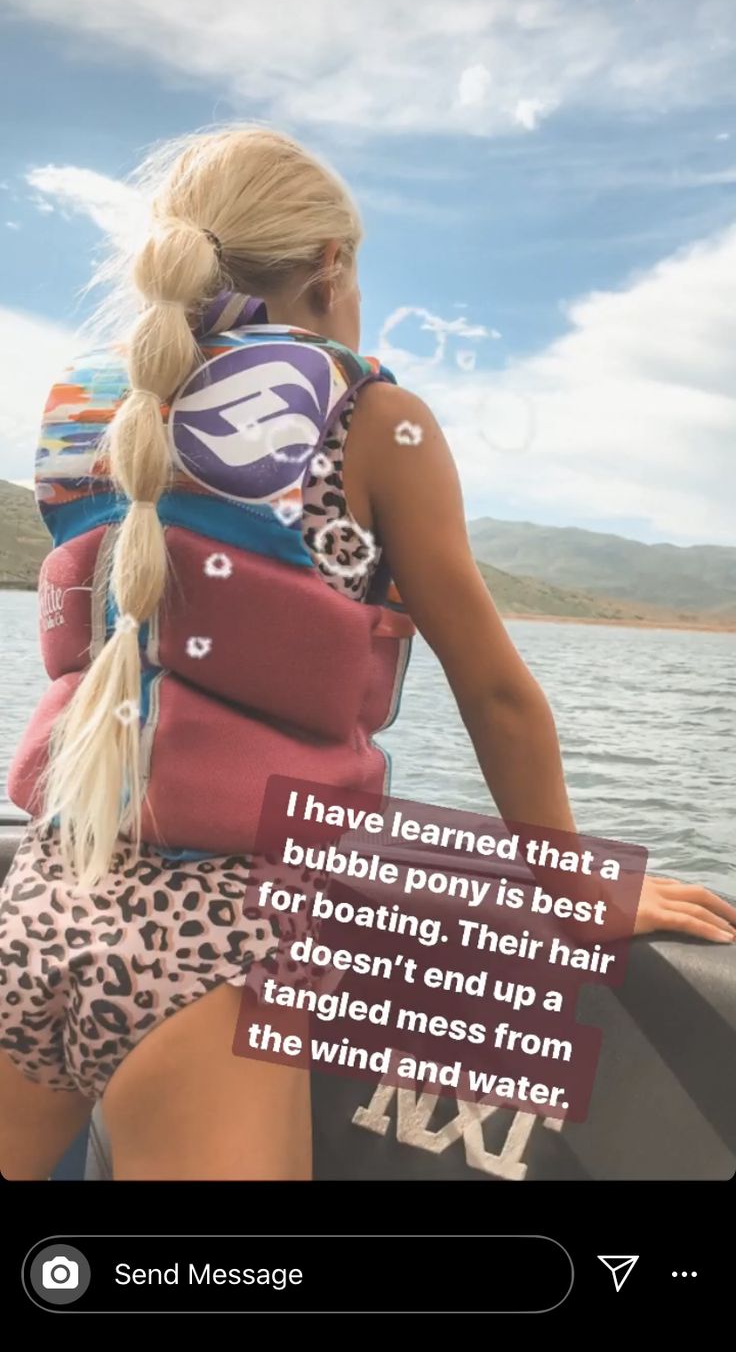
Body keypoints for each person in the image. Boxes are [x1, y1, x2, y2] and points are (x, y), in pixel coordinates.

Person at [0, 125, 733, 1184]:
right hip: (215, 943)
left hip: (42, 894)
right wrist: (576, 887)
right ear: (331, 266)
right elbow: (492, 690)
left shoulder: (83, 409)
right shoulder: (373, 417)